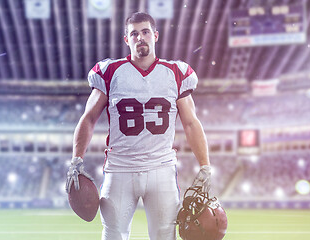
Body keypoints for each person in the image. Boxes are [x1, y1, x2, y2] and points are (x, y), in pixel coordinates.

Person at [66, 12, 211, 240]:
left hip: (161, 167)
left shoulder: (175, 72)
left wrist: (205, 165)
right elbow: (88, 117)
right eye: (134, 34)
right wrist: (76, 159)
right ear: (126, 39)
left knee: (165, 236)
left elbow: (191, 123)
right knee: (113, 235)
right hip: (120, 168)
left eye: (145, 32)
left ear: (155, 35)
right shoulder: (110, 72)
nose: (140, 38)